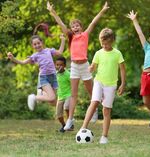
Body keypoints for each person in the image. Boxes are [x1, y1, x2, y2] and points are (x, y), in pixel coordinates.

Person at [47, 1, 109, 130]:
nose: (75, 27)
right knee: (74, 95)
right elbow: (62, 25)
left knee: (91, 92)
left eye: (77, 25)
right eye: (73, 26)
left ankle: (94, 111)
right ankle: (70, 119)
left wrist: (102, 11)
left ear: (81, 27)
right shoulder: (70, 37)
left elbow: (93, 22)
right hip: (74, 67)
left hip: (85, 66)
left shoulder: (85, 35)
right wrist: (53, 12)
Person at [80, 28, 126, 144]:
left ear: (112, 41)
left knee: (106, 110)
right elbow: (93, 67)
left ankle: (104, 136)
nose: (104, 46)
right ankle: (83, 128)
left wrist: (123, 84)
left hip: (111, 85)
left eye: (106, 43)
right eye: (102, 43)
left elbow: (122, 69)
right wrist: (90, 69)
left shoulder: (117, 53)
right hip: (99, 81)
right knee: (94, 102)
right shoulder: (98, 53)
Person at [7, 32, 65, 111]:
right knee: (52, 97)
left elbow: (60, 52)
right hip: (44, 77)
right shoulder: (35, 55)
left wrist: (63, 40)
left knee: (53, 102)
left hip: (53, 76)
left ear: (42, 43)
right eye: (35, 44)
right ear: (32, 46)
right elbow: (23, 62)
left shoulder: (49, 50)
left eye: (38, 43)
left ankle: (41, 94)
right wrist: (13, 58)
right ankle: (34, 97)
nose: (37, 45)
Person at [55, 56, 74, 133]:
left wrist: (74, 95)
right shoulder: (56, 74)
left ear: (65, 66)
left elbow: (73, 84)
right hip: (60, 96)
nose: (59, 67)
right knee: (58, 115)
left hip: (68, 94)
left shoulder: (68, 74)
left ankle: (70, 122)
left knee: (66, 107)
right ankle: (63, 125)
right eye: (57, 65)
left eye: (61, 65)